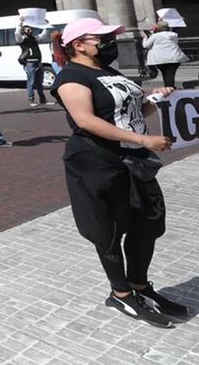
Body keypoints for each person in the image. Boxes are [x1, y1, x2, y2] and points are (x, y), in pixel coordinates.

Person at [51, 18, 188, 327]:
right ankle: (121, 294)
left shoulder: (109, 71)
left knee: (148, 224)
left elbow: (131, 110)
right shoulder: (71, 76)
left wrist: (156, 99)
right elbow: (85, 120)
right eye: (101, 38)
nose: (109, 43)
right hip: (98, 162)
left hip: (134, 161)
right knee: (109, 230)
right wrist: (142, 139)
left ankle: (140, 286)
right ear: (78, 44)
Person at [143, 20, 188, 89]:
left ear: (158, 28)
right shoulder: (174, 35)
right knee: (170, 74)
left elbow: (146, 45)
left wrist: (145, 38)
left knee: (165, 73)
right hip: (174, 57)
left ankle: (169, 88)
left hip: (160, 59)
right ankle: (169, 87)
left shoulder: (155, 36)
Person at [15, 17, 50, 107]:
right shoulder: (21, 39)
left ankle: (43, 99)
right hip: (29, 63)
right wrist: (20, 23)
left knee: (39, 82)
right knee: (31, 82)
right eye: (27, 28)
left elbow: (43, 35)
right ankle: (31, 99)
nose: (29, 29)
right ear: (23, 30)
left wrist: (46, 25)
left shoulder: (34, 38)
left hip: (38, 62)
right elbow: (17, 33)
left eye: (30, 28)